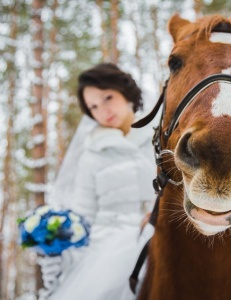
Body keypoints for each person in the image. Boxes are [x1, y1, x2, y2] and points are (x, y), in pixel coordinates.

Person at [38, 63, 156, 300]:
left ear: (125, 92)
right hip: (106, 251)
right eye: (93, 106)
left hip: (164, 235)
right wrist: (60, 256)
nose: (103, 110)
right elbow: (83, 217)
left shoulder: (161, 136)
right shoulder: (91, 154)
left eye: (107, 98)